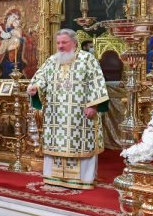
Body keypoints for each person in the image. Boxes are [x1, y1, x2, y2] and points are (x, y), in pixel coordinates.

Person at [27, 29, 109, 189]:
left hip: (80, 115)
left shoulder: (87, 60)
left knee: (81, 145)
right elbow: (40, 78)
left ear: (74, 43)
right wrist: (34, 88)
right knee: (55, 144)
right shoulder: (52, 60)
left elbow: (97, 82)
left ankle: (83, 180)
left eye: (64, 42)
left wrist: (93, 104)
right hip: (55, 116)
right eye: (58, 43)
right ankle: (54, 178)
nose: (60, 46)